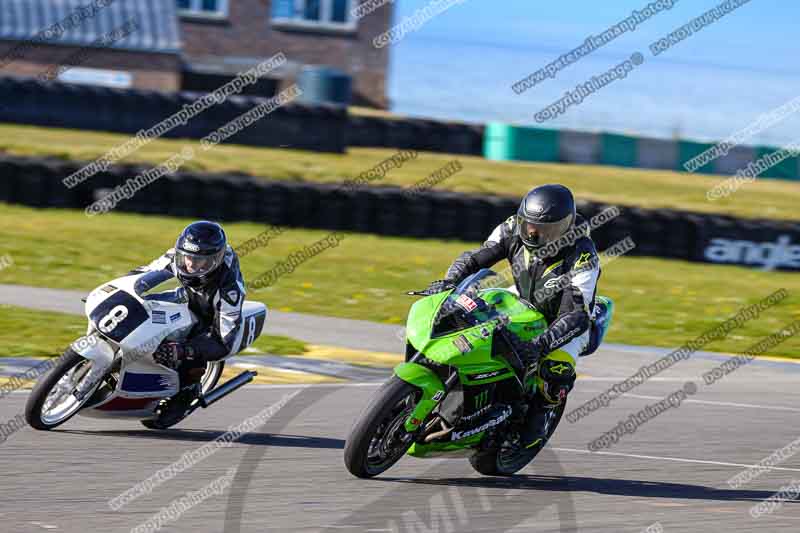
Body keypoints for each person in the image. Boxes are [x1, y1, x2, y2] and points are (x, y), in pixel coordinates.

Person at [427, 184, 609, 449]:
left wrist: (540, 345)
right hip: (523, 299)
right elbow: (476, 258)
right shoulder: (512, 227)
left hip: (566, 319)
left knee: (553, 369)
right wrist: (449, 281)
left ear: (567, 227)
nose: (535, 235)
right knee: (467, 310)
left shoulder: (582, 256)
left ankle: (538, 420)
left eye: (548, 230)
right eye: (531, 227)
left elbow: (576, 314)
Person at [131, 220, 246, 426]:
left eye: (200, 261)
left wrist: (184, 351)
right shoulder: (177, 256)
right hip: (184, 294)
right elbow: (141, 275)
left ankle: (188, 390)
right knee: (148, 305)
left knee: (192, 334)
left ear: (215, 261)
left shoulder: (230, 291)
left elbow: (224, 341)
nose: (191, 264)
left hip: (209, 311)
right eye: (188, 257)